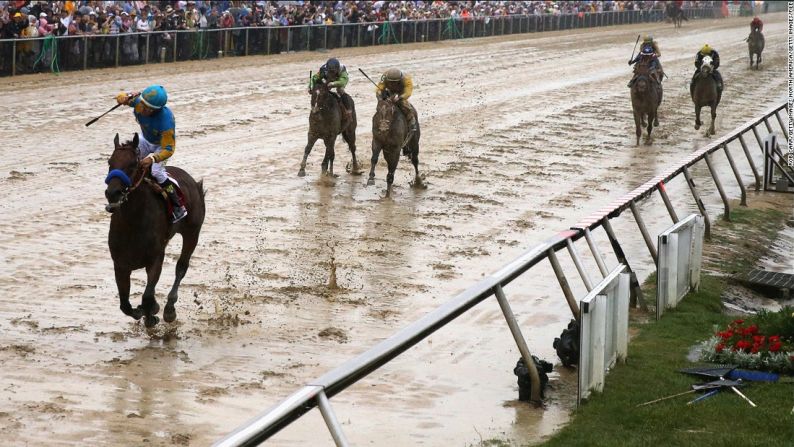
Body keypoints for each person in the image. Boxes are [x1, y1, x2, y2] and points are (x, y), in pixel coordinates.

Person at [115, 85, 187, 223]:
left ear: (157, 109)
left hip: (161, 146)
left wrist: (153, 158)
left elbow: (169, 149)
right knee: (130, 161)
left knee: (156, 172)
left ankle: (178, 204)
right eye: (143, 104)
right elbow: (121, 97)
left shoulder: (166, 121)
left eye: (148, 108)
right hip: (145, 139)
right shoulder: (140, 103)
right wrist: (122, 97)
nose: (143, 109)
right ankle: (121, 193)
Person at [375, 67, 417, 132]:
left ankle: (412, 120)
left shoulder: (407, 79)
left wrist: (400, 98)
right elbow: (378, 89)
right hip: (389, 91)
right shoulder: (384, 76)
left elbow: (408, 93)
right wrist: (381, 96)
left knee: (405, 105)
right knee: (382, 106)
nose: (393, 84)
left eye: (395, 82)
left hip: (401, 91)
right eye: (391, 82)